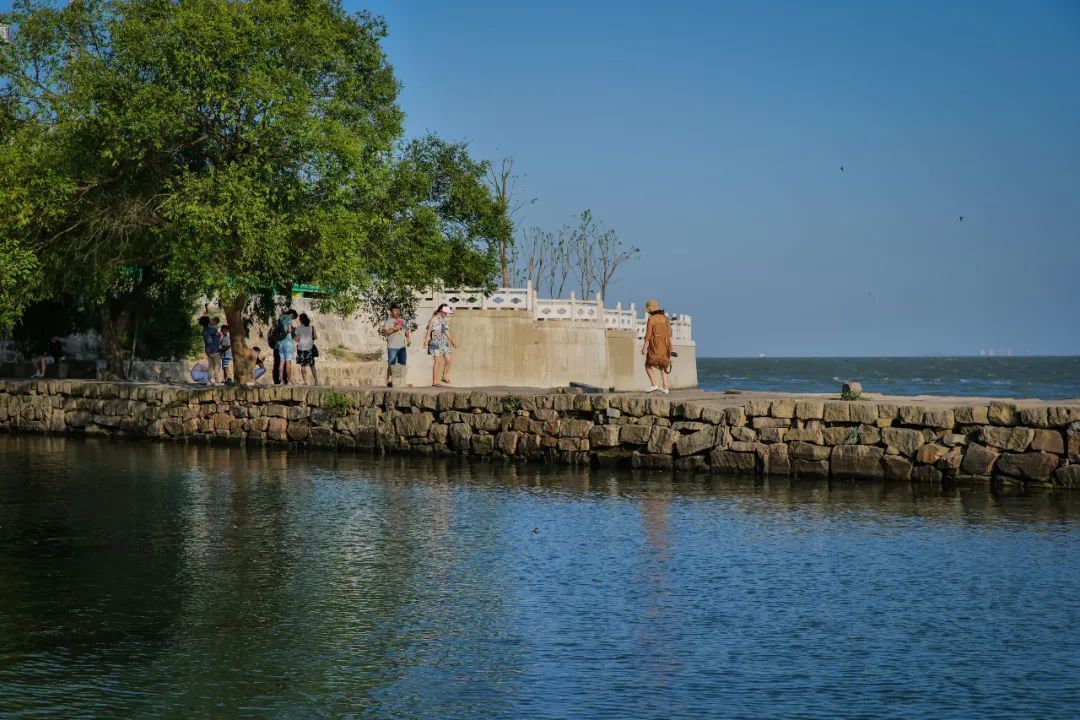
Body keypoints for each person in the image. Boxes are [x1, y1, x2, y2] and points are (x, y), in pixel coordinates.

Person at [641, 298, 672, 394]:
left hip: (655, 343)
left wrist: (644, 347)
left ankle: (654, 384)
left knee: (648, 365)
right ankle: (665, 387)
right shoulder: (665, 318)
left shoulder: (651, 319)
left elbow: (648, 335)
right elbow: (669, 333)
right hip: (666, 343)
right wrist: (671, 347)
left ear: (650, 309)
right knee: (663, 365)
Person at [424, 303, 456, 387]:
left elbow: (446, 331)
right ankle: (434, 381)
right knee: (437, 362)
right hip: (435, 343)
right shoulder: (433, 319)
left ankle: (444, 376)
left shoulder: (443, 320)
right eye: (445, 313)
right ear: (441, 311)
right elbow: (429, 331)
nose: (446, 314)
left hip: (443, 342)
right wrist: (426, 341)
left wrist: (452, 340)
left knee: (448, 360)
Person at [380, 305, 411, 387]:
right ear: (391, 312)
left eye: (398, 310)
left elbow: (407, 332)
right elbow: (386, 332)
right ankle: (389, 381)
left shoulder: (403, 321)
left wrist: (408, 340)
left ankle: (403, 382)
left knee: (403, 364)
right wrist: (394, 329)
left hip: (402, 347)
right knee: (391, 364)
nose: (397, 312)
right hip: (392, 347)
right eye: (394, 310)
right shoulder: (389, 321)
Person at [271, 309, 296, 385]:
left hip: (279, 343)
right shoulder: (289, 319)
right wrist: (292, 329)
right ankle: (289, 381)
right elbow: (289, 330)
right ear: (291, 315)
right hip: (287, 342)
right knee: (288, 363)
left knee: (281, 363)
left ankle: (281, 380)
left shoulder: (279, 319)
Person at [294, 313, 319, 385]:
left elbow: (296, 339)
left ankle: (305, 381)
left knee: (303, 365)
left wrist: (301, 339)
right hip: (309, 348)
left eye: (299, 319)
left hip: (301, 348)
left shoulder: (298, 328)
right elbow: (315, 337)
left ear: (301, 320)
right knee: (312, 365)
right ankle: (316, 380)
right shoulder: (311, 327)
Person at [198, 316, 222, 386]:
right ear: (208, 321)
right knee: (217, 365)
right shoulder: (212, 329)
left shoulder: (203, 330)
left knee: (210, 366)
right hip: (214, 349)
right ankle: (217, 381)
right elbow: (219, 334)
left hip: (208, 350)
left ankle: (209, 381)